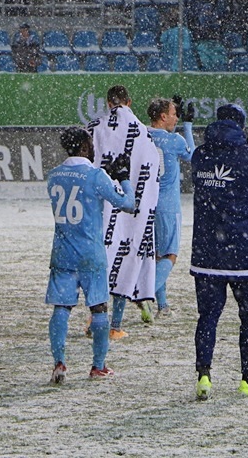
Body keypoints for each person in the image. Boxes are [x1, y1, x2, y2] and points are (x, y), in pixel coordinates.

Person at [190, 104, 248, 400]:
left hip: (207, 252)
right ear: (241, 125)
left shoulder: (199, 155)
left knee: (207, 317)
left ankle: (204, 376)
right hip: (246, 253)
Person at [45, 127, 136, 383]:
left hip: (62, 251)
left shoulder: (54, 175)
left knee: (61, 307)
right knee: (98, 308)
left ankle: (59, 363)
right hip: (90, 252)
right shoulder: (95, 176)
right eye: (91, 144)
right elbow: (129, 204)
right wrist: (122, 176)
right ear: (84, 147)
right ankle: (98, 366)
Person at [87, 85, 161, 338]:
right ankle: (115, 325)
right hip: (132, 210)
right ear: (129, 102)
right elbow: (152, 175)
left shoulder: (94, 127)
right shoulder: (143, 132)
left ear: (108, 103)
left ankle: (94, 321)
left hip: (99, 207)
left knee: (101, 263)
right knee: (126, 261)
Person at [147, 96, 196, 318]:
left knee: (156, 256)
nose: (176, 118)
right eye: (174, 114)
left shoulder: (142, 136)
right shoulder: (174, 140)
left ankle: (162, 306)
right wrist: (188, 125)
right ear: (163, 116)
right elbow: (194, 156)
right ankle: (145, 296)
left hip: (147, 205)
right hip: (168, 206)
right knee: (170, 255)